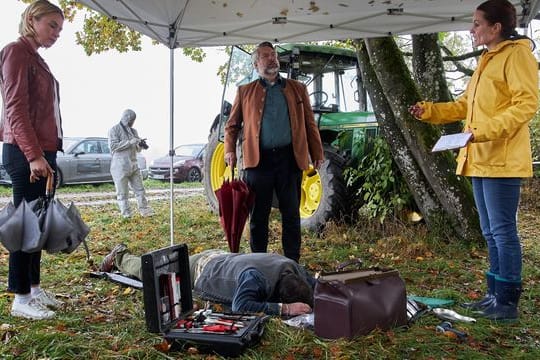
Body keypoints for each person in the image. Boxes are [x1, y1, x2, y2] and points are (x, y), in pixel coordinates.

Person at [409, 0, 538, 321]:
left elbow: (526, 104)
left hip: (502, 158)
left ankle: (507, 303)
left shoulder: (517, 55)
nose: (471, 29)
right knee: (490, 232)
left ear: (497, 28)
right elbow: (466, 104)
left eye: (477, 24)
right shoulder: (487, 59)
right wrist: (431, 111)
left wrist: (481, 132)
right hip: (479, 158)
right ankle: (493, 295)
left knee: (503, 231)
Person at [224, 41, 325, 262]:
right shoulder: (244, 91)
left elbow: (310, 123)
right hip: (258, 162)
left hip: (289, 160)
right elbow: (231, 126)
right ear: (256, 63)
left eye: (274, 55)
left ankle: (292, 262)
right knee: (259, 216)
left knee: (291, 214)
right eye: (266, 56)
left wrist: (317, 152)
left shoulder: (297, 88)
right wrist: (229, 150)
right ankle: (259, 263)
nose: (272, 59)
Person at [0, 0, 65, 320]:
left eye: (60, 29)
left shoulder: (36, 58)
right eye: (51, 25)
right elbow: (15, 109)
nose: (56, 34)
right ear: (31, 19)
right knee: (25, 224)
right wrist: (34, 156)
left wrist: (46, 153)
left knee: (37, 223)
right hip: (25, 153)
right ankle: (20, 297)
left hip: (41, 151)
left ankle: (34, 288)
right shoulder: (15, 52)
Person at [99, 245, 314, 316]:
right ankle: (121, 255)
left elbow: (313, 282)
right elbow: (241, 306)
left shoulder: (291, 267)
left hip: (223, 257)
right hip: (202, 268)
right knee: (149, 273)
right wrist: (285, 309)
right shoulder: (255, 280)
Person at [108, 109, 153, 218]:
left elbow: (137, 150)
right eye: (132, 119)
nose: (133, 122)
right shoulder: (114, 130)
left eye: (134, 120)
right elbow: (113, 147)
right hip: (119, 166)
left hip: (133, 164)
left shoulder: (134, 131)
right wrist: (129, 142)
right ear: (127, 117)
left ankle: (145, 211)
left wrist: (140, 145)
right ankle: (126, 214)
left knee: (140, 189)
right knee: (122, 193)